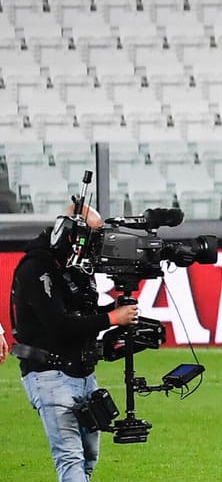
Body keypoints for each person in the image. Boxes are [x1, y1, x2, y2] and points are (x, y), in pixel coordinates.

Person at [10, 201, 142, 482]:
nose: (94, 246)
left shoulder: (74, 267)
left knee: (89, 455)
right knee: (70, 458)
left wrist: (112, 313)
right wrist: (112, 319)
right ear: (70, 233)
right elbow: (59, 326)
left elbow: (82, 316)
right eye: (90, 238)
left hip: (82, 372)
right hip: (49, 374)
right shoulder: (36, 269)